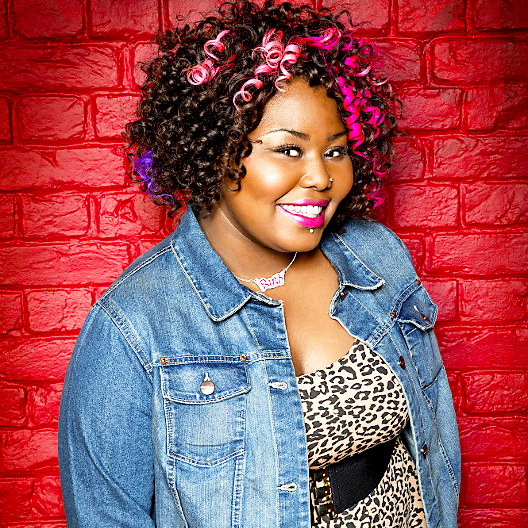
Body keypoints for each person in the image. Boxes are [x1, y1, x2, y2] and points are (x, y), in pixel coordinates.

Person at [58, 1, 461, 527]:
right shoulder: (134, 326)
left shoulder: (376, 256)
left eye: (335, 150)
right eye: (289, 150)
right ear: (214, 151)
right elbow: (106, 516)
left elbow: (432, 437)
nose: (321, 178)